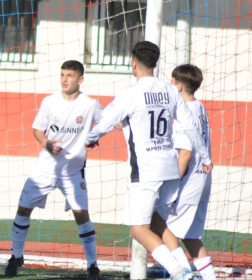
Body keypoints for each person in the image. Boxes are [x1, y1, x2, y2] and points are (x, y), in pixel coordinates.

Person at [84, 41, 212, 280]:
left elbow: (105, 121)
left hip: (145, 172)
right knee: (157, 223)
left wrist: (89, 139)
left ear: (133, 63)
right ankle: (185, 270)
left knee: (138, 230)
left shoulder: (129, 94)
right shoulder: (170, 90)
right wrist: (205, 157)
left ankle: (182, 273)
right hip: (170, 171)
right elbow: (191, 127)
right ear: (155, 63)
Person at [4, 60, 104, 279]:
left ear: (80, 79)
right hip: (45, 168)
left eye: (69, 75)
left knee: (81, 215)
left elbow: (108, 122)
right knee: (23, 209)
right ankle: (16, 257)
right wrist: (47, 143)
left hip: (73, 171)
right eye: (62, 75)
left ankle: (93, 266)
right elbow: (37, 130)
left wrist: (95, 136)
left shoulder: (90, 104)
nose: (65, 79)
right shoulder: (49, 102)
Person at [150, 65, 217, 280]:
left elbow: (185, 153)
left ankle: (183, 273)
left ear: (178, 86)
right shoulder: (200, 107)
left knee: (156, 221)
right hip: (203, 177)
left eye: (171, 82)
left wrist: (170, 184)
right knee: (190, 235)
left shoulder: (184, 113)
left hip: (189, 180)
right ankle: (209, 278)